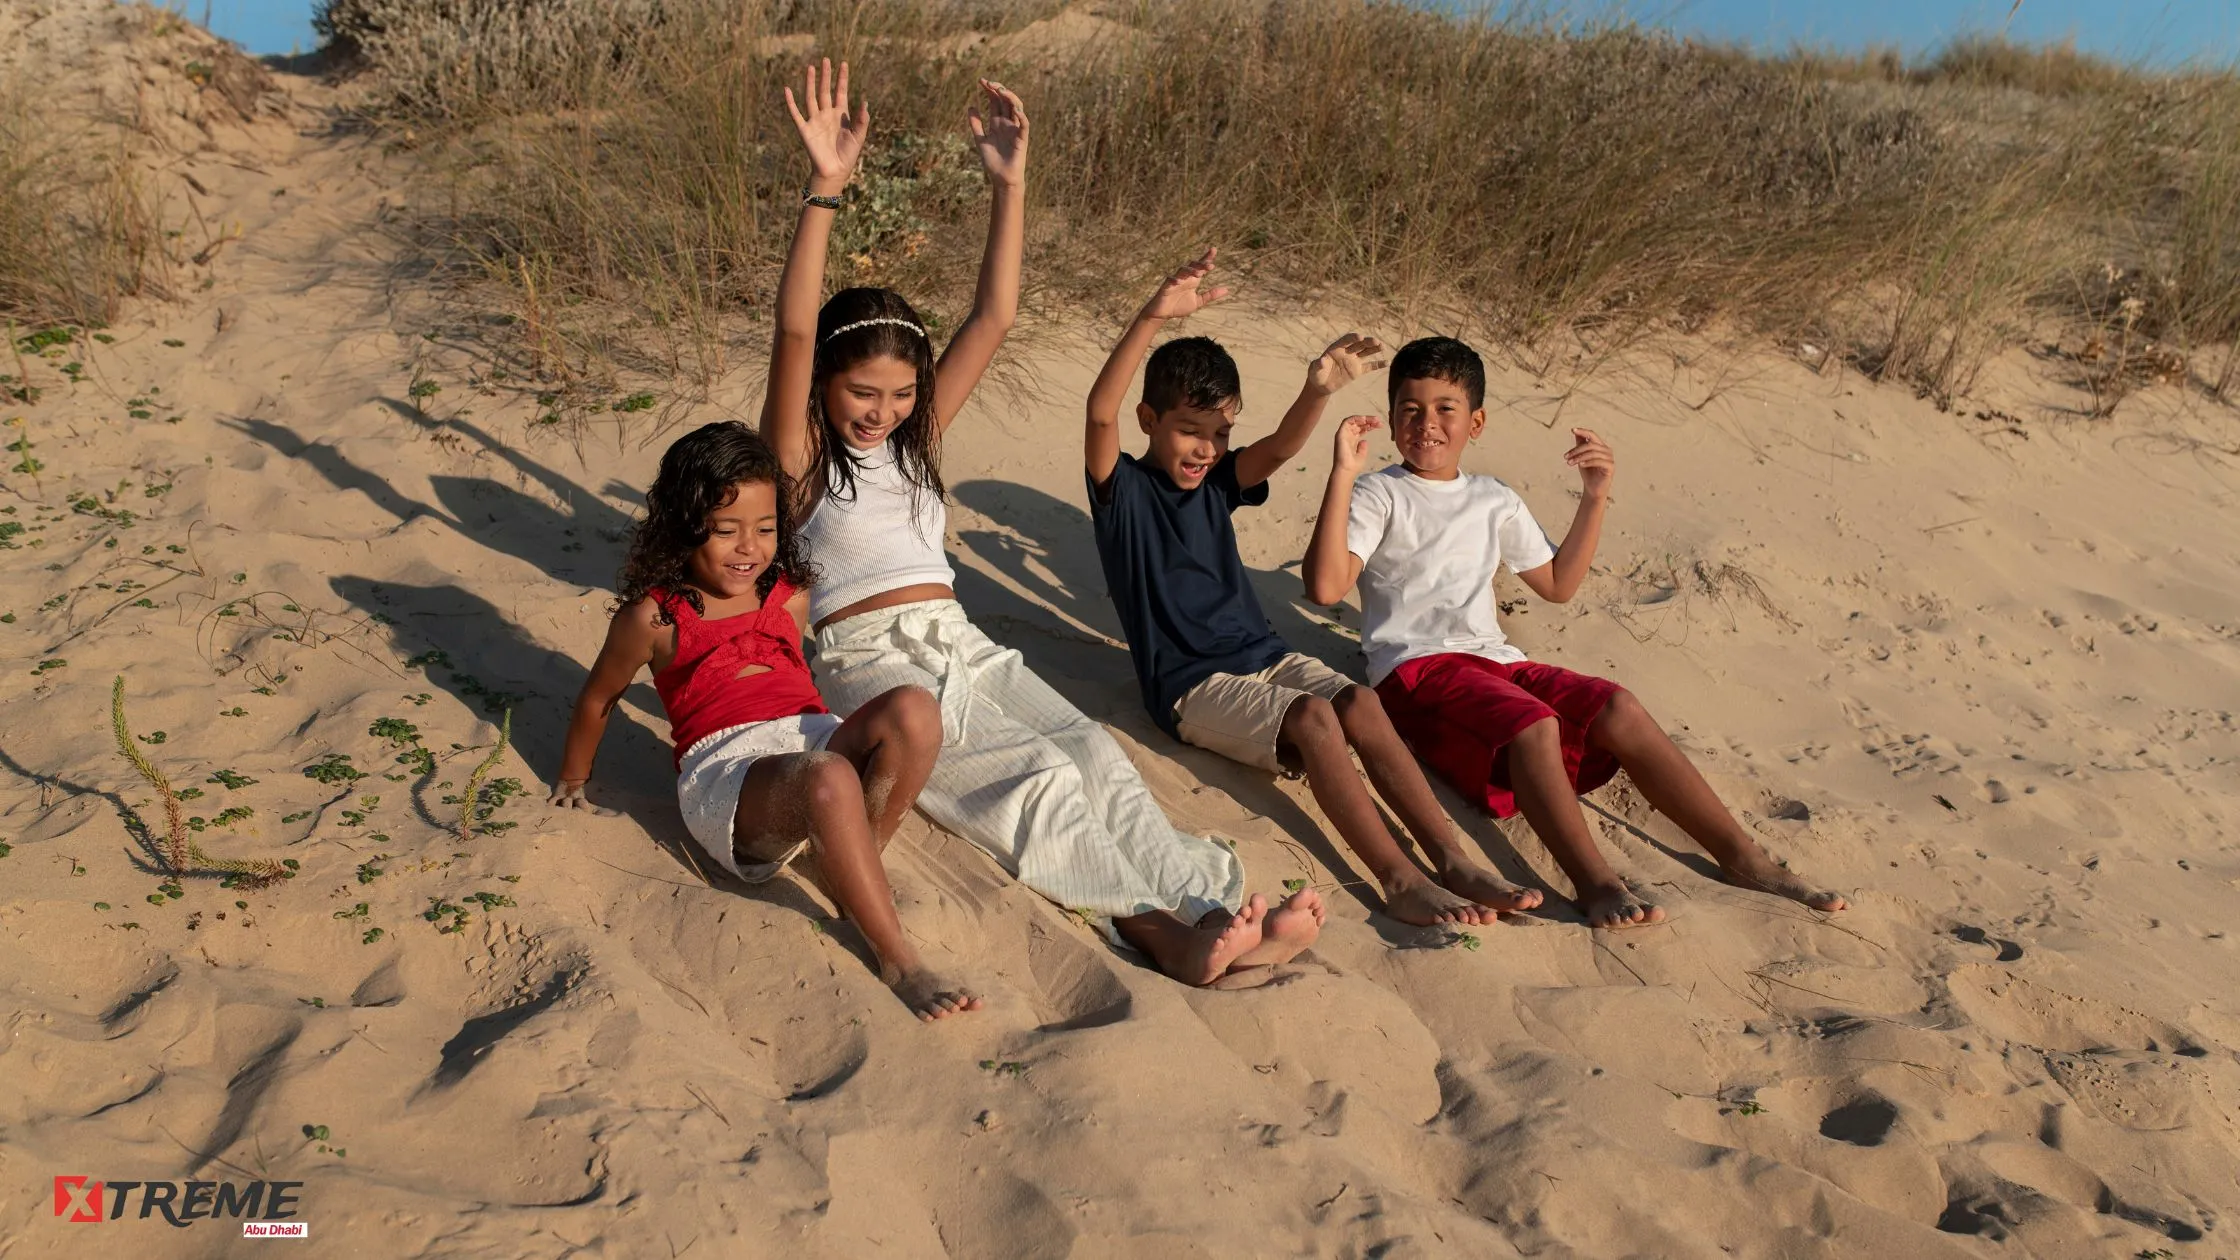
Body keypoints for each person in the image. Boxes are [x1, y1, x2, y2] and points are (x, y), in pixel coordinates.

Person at [762, 62, 1318, 984]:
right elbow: (790, 331)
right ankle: (1160, 935)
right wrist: (826, 188)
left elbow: (995, 313)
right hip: (871, 660)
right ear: (824, 385)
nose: (883, 411)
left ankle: (1205, 906)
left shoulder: (911, 446)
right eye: (862, 391)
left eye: (902, 394)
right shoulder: (802, 462)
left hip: (959, 639)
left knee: (1089, 752)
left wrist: (1010, 185)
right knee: (1038, 785)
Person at [1302, 336, 1849, 928]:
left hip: (1497, 661)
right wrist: (1342, 472)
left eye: (1445, 409)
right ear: (1390, 418)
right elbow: (1326, 589)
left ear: (1476, 422)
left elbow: (1559, 583)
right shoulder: (1379, 492)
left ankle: (1743, 857)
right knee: (1533, 723)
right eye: (1410, 409)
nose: (1426, 424)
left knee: (1620, 708)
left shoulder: (1493, 499)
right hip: (1417, 671)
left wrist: (1595, 497)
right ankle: (1595, 883)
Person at [1085, 250, 1542, 928]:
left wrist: (1319, 389)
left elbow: (1276, 449)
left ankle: (1451, 857)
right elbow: (1099, 413)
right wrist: (1152, 315)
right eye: (1188, 431)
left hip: (1261, 654)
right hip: (1190, 685)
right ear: (1149, 419)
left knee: (1356, 701)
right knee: (1315, 719)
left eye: (1218, 434)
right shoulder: (1122, 491)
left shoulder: (1215, 481)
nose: (1204, 450)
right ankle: (1398, 878)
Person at [546, 421, 982, 1019]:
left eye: (766, 529)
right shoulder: (655, 619)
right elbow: (600, 698)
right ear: (683, 527)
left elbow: (791, 686)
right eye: (726, 531)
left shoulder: (791, 594)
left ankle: (854, 864)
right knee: (826, 775)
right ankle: (899, 960)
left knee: (914, 708)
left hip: (809, 739)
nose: (749, 547)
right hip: (730, 773)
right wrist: (574, 775)